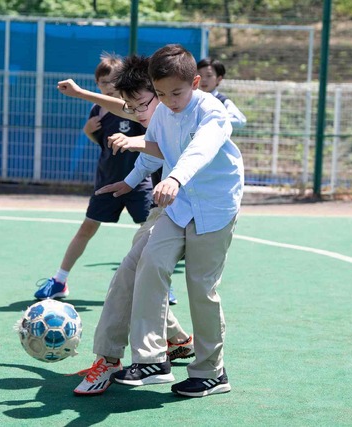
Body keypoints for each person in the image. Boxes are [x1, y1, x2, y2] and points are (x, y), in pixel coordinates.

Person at [101, 44, 243, 398]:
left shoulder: (213, 112)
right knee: (150, 261)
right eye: (161, 94)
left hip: (213, 208)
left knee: (201, 290)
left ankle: (212, 371)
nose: (169, 100)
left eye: (177, 92)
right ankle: (151, 359)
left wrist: (175, 179)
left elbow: (200, 150)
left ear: (195, 83)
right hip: (179, 207)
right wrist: (130, 182)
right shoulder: (164, 111)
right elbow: (157, 150)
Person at [57, 55, 195, 396]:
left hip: (192, 212)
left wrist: (134, 143)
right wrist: (82, 94)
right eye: (131, 107)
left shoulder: (185, 113)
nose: (135, 112)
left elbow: (176, 150)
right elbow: (126, 111)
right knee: (138, 276)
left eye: (140, 104)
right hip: (169, 210)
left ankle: (111, 359)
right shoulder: (157, 110)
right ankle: (178, 340)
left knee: (127, 278)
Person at [34, 53, 152, 301]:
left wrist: (132, 142)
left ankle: (156, 281)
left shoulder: (138, 108)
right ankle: (60, 280)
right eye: (103, 82)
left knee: (150, 232)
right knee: (87, 228)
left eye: (113, 82)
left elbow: (154, 140)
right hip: (107, 180)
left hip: (138, 182)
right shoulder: (97, 110)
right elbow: (103, 144)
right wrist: (89, 132)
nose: (108, 87)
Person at [196, 57, 247, 129]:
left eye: (209, 75)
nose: (203, 79)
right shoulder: (190, 98)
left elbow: (240, 121)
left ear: (218, 79)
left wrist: (215, 119)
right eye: (200, 75)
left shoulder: (223, 101)